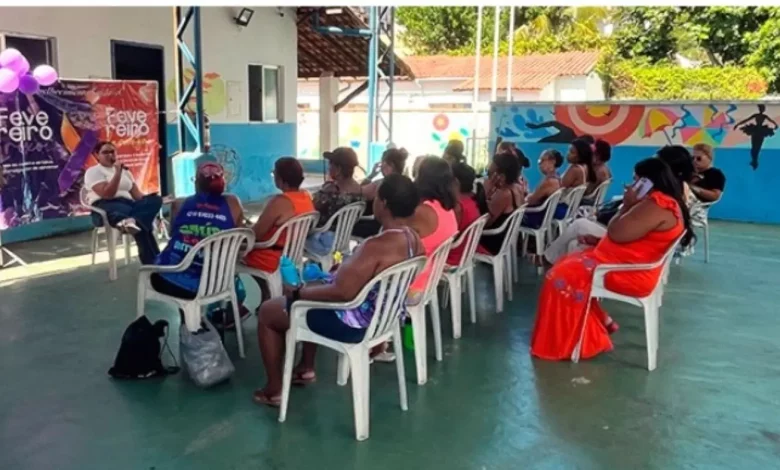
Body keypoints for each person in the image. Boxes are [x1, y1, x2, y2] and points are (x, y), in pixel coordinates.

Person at [252, 174, 425, 406]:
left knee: (268, 311)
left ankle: (274, 390)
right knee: (315, 288)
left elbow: (343, 293)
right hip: (383, 318)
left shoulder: (376, 246)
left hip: (352, 323)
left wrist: (296, 294)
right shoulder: (414, 241)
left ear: (383, 203)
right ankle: (305, 367)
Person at [530, 158, 694, 361]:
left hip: (628, 272)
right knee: (566, 263)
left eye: (637, 182)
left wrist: (627, 206)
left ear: (648, 183)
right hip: (622, 262)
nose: (632, 186)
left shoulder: (656, 206)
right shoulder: (660, 202)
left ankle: (583, 341)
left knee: (557, 278)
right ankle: (600, 321)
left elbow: (616, 233)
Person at [151, 162, 249, 325]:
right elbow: (239, 236)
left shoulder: (180, 204)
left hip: (175, 281)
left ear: (196, 182)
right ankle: (221, 314)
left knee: (169, 264)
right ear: (223, 183)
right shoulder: (233, 203)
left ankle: (188, 322)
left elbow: (176, 234)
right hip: (218, 282)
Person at [83, 140, 162, 264]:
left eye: (112, 152)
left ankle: (130, 221)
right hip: (106, 205)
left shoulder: (126, 172)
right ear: (97, 155)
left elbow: (138, 196)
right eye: (105, 153)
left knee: (155, 201)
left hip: (129, 204)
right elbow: (107, 194)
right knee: (141, 224)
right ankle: (154, 261)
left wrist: (152, 200)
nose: (110, 155)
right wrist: (117, 173)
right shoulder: (93, 172)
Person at [243, 158, 315, 280]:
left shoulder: (280, 201)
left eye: (274, 174)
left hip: (269, 258)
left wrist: (243, 228)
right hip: (292, 255)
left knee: (230, 254)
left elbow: (256, 234)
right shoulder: (306, 197)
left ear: (281, 180)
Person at [407, 156, 459, 298]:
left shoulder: (424, 212)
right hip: (430, 277)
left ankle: (404, 320)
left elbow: (398, 237)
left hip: (412, 283)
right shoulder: (447, 208)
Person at [350, 147, 410, 240]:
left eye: (383, 162)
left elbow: (359, 192)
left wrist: (371, 175)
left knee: (344, 225)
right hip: (401, 229)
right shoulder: (407, 183)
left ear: (387, 164)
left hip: (380, 227)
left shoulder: (382, 183)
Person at [479, 152, 524, 255]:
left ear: (501, 176)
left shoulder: (503, 194)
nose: (488, 177)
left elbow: (484, 224)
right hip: (508, 238)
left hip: (494, 241)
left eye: (490, 173)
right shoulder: (517, 187)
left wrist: (484, 194)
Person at [447, 162, 485, 265]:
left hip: (452, 256)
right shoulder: (472, 200)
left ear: (455, 182)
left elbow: (449, 236)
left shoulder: (458, 206)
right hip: (465, 253)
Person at [520, 149, 562, 230]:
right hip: (543, 214)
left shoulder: (549, 182)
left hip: (537, 217)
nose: (539, 164)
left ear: (552, 161)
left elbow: (531, 201)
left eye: (541, 160)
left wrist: (522, 196)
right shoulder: (556, 177)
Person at [734, 104, 778, 170]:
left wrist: (775, 125)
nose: (761, 110)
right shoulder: (757, 115)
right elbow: (746, 120)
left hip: (760, 131)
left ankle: (755, 161)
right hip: (757, 131)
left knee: (757, 147)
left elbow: (772, 121)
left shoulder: (764, 116)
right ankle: (754, 161)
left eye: (762, 109)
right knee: (755, 147)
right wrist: (737, 124)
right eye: (761, 109)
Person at [582, 139, 612, 205]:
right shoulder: (605, 169)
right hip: (593, 202)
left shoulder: (599, 171)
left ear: (598, 156)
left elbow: (586, 191)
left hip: (586, 203)